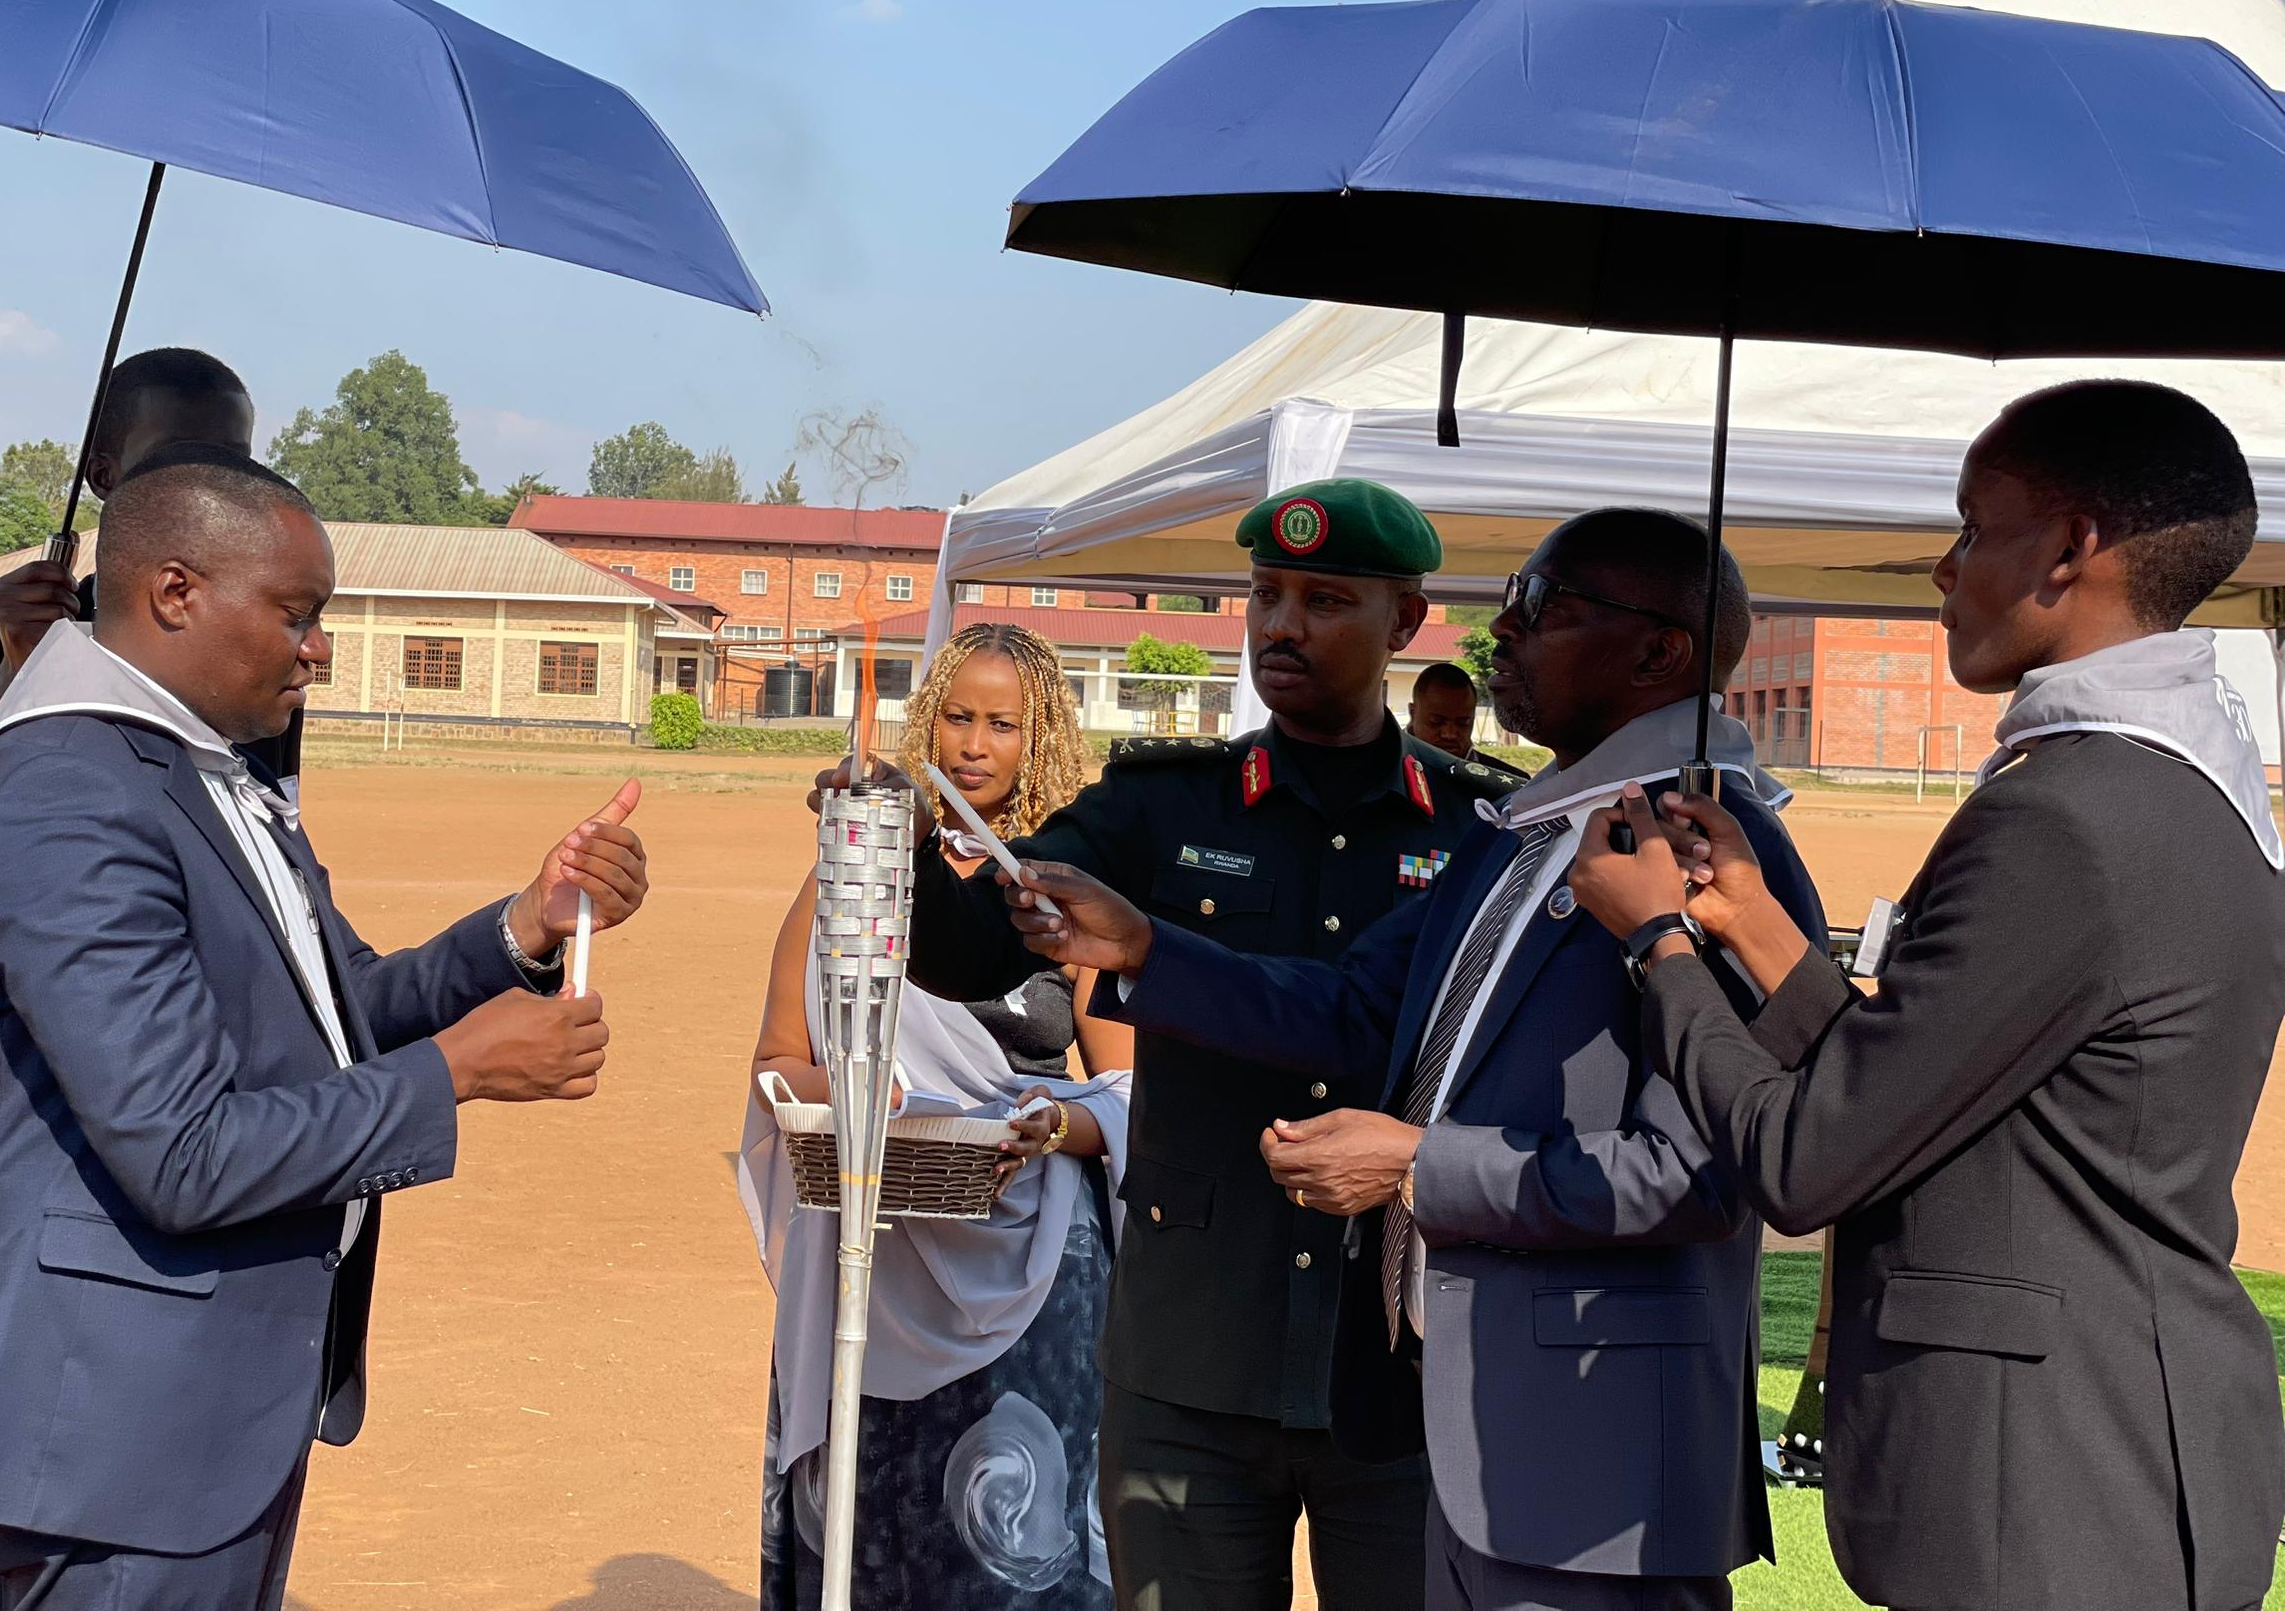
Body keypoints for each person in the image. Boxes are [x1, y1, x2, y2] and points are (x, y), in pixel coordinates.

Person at [1004, 508, 1829, 1611]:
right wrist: (1147, 948)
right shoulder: (1526, 832)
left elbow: (1702, 1173)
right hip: (1469, 1434)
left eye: (1543, 607)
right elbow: (1357, 1008)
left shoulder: (1710, 847)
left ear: (1657, 653)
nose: (1504, 633)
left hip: (1596, 1477)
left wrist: (1416, 1165)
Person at [1568, 381, 2285, 1611]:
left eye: (1972, 527)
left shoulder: (2063, 814)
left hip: (2045, 1489)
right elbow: (1924, 1082)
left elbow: (1808, 1161)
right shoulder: (2178, 783)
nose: (1944, 571)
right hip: (2114, 1458)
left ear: (2070, 546)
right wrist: (1751, 926)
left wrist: (1659, 948)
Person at [0, 450, 650, 1611]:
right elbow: (180, 1152)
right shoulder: (69, 788)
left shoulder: (196, 769)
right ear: (174, 593)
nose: (319, 649)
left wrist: (525, 925)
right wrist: (452, 1075)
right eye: (296, 615)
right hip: (109, 1439)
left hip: (195, 1420)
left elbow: (334, 1004)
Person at [816, 480, 1520, 1611]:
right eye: (1266, 595)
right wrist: (895, 841)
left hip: (1398, 1365)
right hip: (1194, 1360)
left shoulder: (1482, 828)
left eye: (1324, 601)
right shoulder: (1163, 805)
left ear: (1405, 620)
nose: (1283, 626)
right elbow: (974, 951)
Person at [0, 347, 275, 1244]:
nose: (205, 484)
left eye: (228, 462)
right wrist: (12, 680)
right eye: (174, 459)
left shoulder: (256, 662)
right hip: (14, 1096)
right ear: (103, 476)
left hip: (191, 1082)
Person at [743, 622, 1133, 1605]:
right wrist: (863, 1100)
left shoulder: (1064, 892)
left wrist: (1050, 1125)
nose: (973, 746)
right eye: (957, 718)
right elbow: (781, 1061)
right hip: (872, 1254)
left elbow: (1131, 1091)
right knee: (877, 1522)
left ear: (1041, 739)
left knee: (1018, 1542)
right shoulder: (852, 871)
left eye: (1003, 725)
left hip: (1033, 1264)